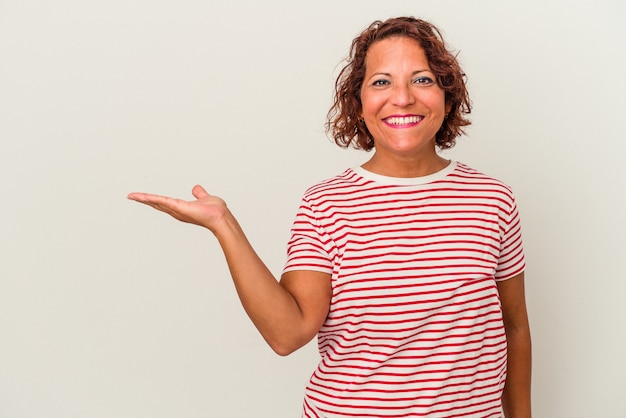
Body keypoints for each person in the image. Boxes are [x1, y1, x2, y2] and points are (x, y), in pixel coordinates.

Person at [128, 16, 531, 418]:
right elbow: (288, 334)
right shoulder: (326, 204)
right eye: (381, 81)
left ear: (448, 94)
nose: (403, 97)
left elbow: (514, 327)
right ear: (358, 103)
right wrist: (224, 226)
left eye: (422, 79)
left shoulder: (492, 199)